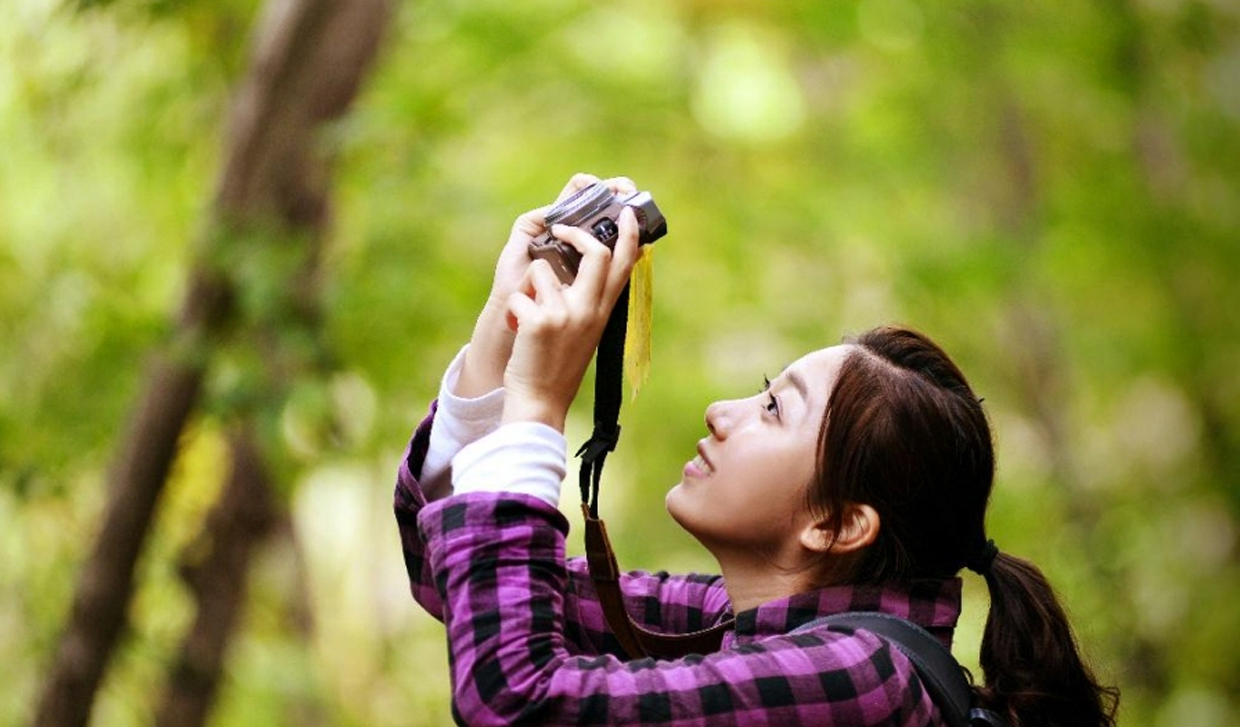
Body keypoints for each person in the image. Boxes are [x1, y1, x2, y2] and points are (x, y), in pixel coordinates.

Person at [393, 174, 1120, 726]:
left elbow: (518, 702)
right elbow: (452, 574)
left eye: (775, 410)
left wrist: (539, 407)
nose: (721, 413)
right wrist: (505, 322)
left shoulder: (863, 676)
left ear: (835, 524)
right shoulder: (740, 619)